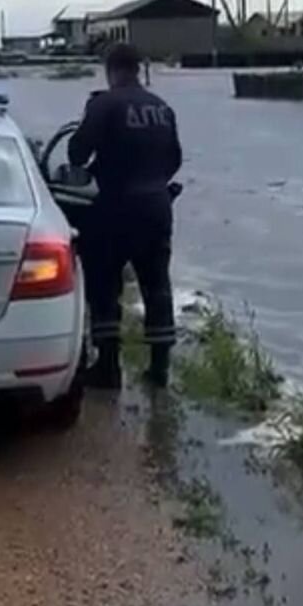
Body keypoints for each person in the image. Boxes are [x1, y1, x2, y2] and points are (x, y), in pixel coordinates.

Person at [68, 43, 182, 389]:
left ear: (111, 69)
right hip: (157, 206)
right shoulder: (162, 108)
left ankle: (108, 367)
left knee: (104, 284)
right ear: (138, 68)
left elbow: (76, 153)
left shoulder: (104, 104)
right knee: (157, 284)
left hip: (115, 207)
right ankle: (159, 368)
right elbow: (174, 159)